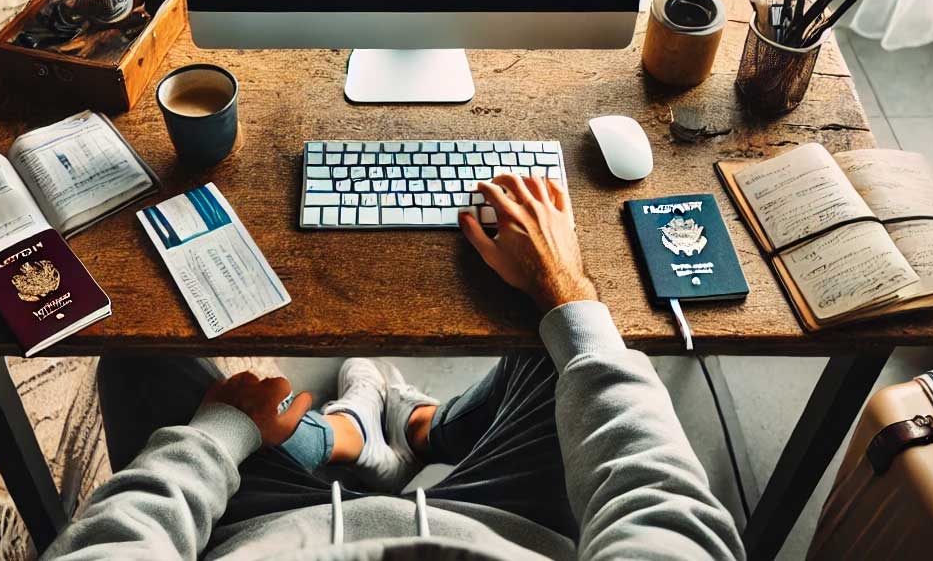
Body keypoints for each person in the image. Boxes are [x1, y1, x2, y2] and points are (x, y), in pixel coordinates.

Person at [46, 172, 744, 560]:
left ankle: (354, 429)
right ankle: (416, 430)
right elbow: (667, 517)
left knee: (135, 362)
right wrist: (565, 285)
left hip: (264, 534)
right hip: (499, 523)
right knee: (556, 347)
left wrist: (219, 435)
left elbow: (112, 548)